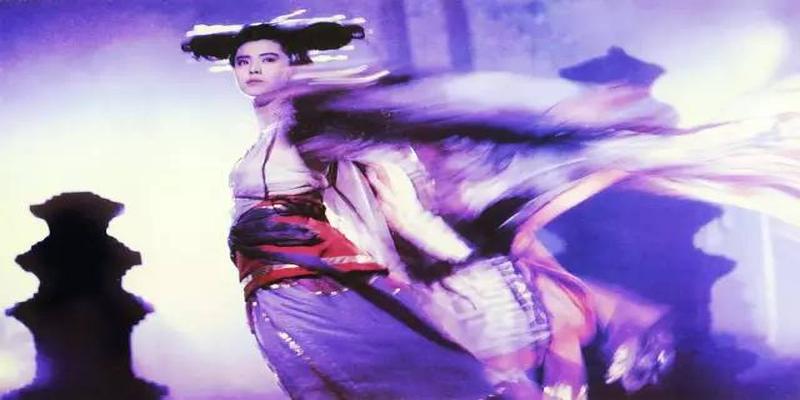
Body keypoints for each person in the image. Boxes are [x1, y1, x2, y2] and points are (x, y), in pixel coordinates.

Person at [181, 18, 499, 399]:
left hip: (304, 267)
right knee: (306, 374)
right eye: (243, 61)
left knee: (350, 369)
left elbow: (371, 151)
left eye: (268, 59)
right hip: (262, 272)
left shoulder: (305, 126)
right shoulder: (261, 142)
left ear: (292, 66)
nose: (253, 69)